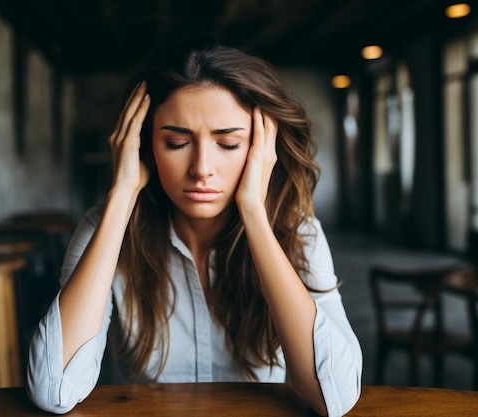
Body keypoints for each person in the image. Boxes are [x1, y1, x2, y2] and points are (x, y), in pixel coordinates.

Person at [26, 41, 362, 416]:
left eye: (229, 143)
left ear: (261, 149)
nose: (202, 167)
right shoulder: (104, 229)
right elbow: (52, 389)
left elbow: (337, 396)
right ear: (144, 145)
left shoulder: (298, 232)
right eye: (177, 142)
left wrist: (254, 213)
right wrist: (122, 195)